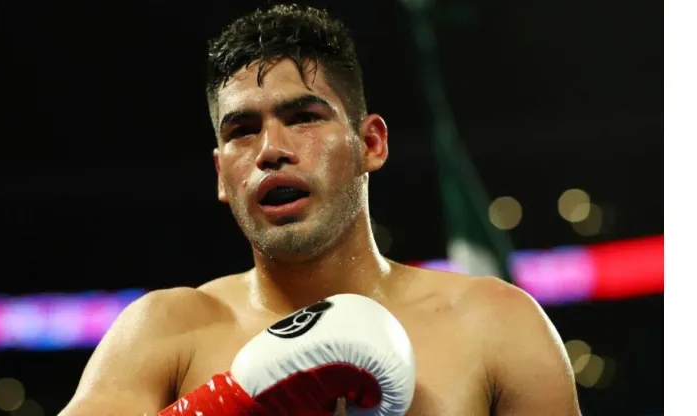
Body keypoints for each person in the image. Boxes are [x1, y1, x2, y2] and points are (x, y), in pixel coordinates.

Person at [60, 4, 581, 415]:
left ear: (370, 143)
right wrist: (230, 405)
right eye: (242, 130)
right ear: (222, 173)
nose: (270, 149)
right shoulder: (164, 330)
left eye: (303, 117)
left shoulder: (496, 324)